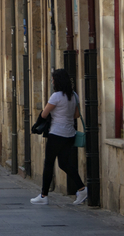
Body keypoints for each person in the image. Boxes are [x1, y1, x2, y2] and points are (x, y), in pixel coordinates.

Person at [31, 69, 88, 206]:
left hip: (56, 133)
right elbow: (76, 115)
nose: (52, 81)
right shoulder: (74, 96)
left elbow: (44, 114)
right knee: (64, 163)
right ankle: (82, 189)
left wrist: (35, 126)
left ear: (57, 81)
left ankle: (44, 195)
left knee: (48, 164)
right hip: (69, 134)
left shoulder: (56, 96)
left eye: (53, 79)